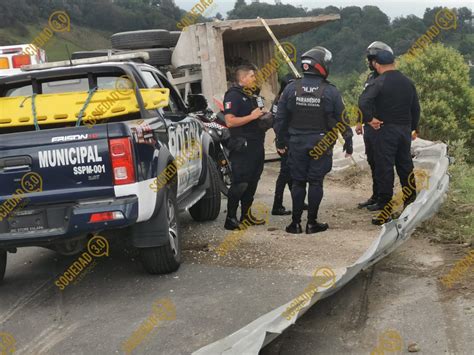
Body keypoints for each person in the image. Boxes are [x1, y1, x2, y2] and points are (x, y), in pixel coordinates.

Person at [274, 47, 353, 234]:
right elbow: (343, 120)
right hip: (321, 142)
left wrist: (280, 141)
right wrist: (348, 141)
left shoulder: (291, 88)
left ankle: (295, 224)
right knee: (316, 182)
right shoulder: (331, 91)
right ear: (322, 66)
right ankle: (312, 223)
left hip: (296, 142)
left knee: (299, 182)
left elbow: (281, 119)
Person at [358, 44, 420, 225]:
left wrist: (369, 119)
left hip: (385, 131)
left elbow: (364, 102)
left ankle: (385, 211)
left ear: (376, 64)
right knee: (405, 167)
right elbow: (415, 108)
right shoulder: (408, 82)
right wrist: (413, 128)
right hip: (404, 131)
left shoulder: (379, 81)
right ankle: (411, 204)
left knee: (384, 169)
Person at [223, 65, 268, 230]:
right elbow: (229, 121)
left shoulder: (254, 95)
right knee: (240, 182)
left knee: (253, 181)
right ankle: (230, 218)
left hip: (257, 144)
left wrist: (266, 117)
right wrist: (252, 116)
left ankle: (246, 215)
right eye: (251, 76)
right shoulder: (233, 95)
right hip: (242, 145)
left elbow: (260, 113)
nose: (254, 78)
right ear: (242, 79)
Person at [356, 42, 394, 210]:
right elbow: (363, 100)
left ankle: (384, 199)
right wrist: (360, 120)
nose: (371, 63)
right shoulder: (370, 78)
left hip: (382, 128)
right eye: (370, 60)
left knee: (382, 164)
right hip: (369, 128)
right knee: (373, 162)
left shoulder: (388, 78)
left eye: (373, 59)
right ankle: (375, 195)